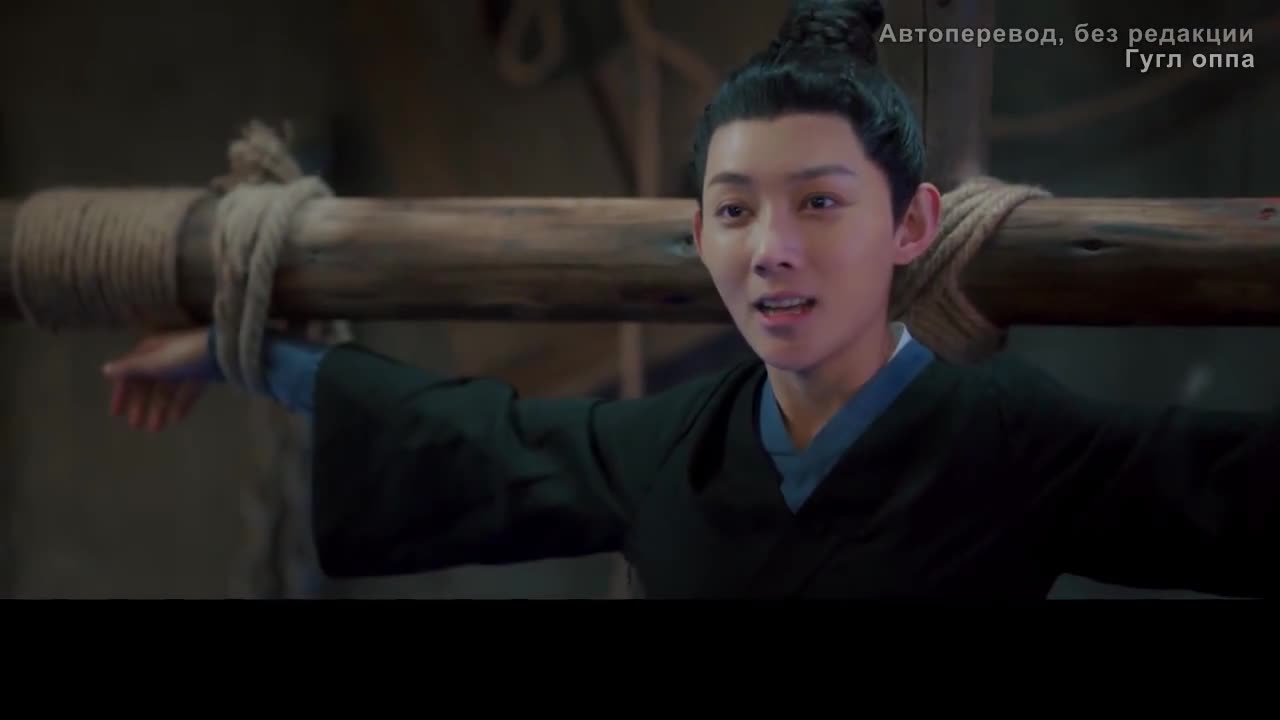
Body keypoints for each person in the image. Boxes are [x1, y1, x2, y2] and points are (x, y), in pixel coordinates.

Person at [100, 0, 1278, 599]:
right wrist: (235, 352)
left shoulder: (1015, 443)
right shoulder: (675, 445)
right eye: (732, 209)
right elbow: (465, 434)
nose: (770, 252)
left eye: (818, 204)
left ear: (910, 225)